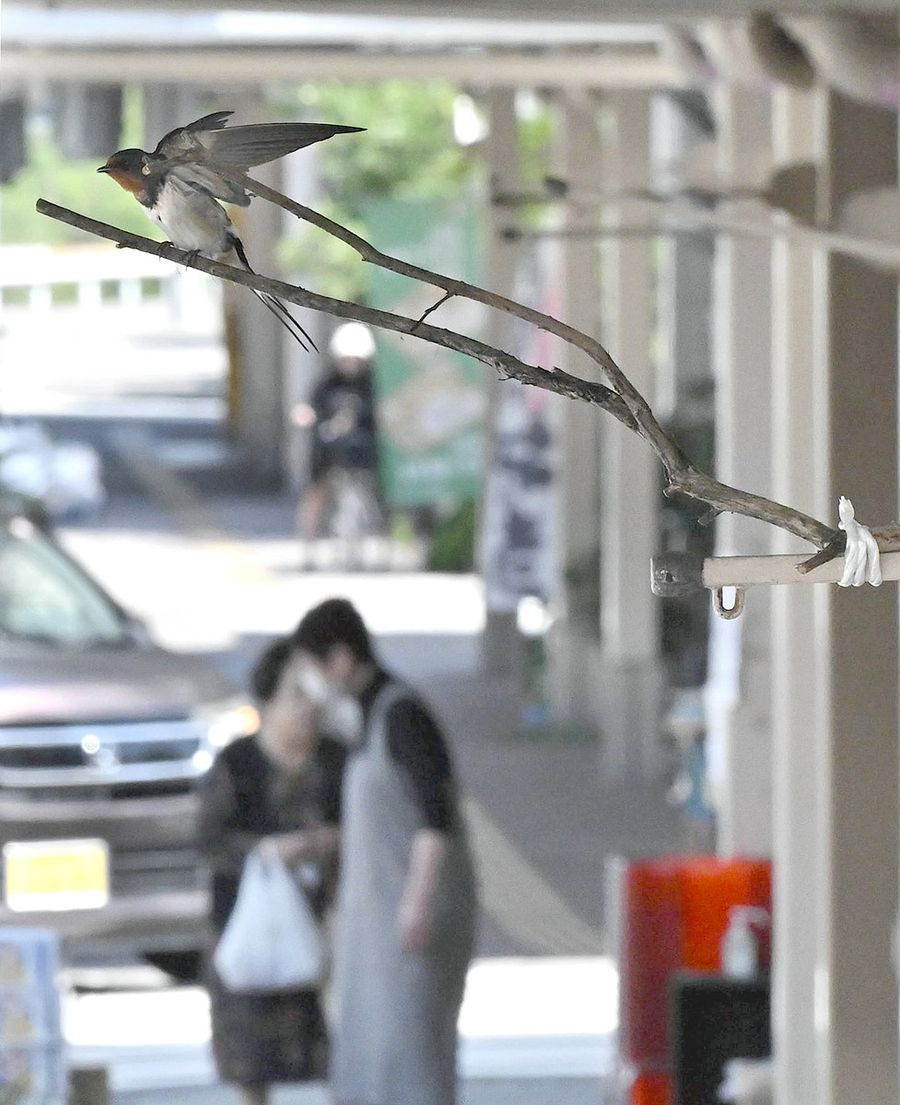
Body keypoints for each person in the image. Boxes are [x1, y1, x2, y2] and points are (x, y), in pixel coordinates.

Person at [290, 598, 479, 1105]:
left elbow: (433, 817)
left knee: (412, 1048)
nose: (310, 679)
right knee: (373, 1046)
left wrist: (417, 901)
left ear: (341, 658)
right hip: (377, 914)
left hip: (408, 914)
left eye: (313, 665)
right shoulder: (363, 718)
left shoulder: (403, 716)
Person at [197, 636, 346, 1105]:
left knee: (338, 1052)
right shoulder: (236, 764)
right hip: (249, 932)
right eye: (296, 694)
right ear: (268, 699)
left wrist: (331, 843)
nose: (308, 708)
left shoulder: (339, 761)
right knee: (250, 1064)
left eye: (315, 695)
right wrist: (268, 852)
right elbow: (209, 841)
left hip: (327, 930)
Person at [294, 322, 382, 547]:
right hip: (328, 448)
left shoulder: (372, 383)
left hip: (361, 448)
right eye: (346, 359)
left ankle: (383, 535)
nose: (350, 364)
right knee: (317, 490)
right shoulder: (327, 382)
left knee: (378, 489)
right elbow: (310, 406)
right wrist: (306, 415)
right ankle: (309, 541)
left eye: (355, 359)